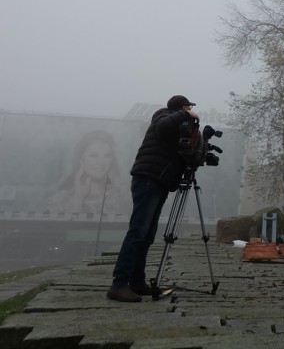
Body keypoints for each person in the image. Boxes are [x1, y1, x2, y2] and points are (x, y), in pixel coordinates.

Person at [107, 95, 199, 303]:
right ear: (181, 108)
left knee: (146, 235)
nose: (190, 111)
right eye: (187, 108)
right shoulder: (163, 115)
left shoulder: (176, 126)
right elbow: (163, 127)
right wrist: (184, 114)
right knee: (138, 231)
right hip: (148, 178)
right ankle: (119, 283)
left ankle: (137, 282)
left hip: (159, 181)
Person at [46, 130, 127, 215]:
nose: (101, 162)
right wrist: (78, 199)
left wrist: (118, 190)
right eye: (93, 155)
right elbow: (61, 227)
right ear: (81, 159)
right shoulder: (60, 199)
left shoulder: (124, 195)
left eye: (107, 155)